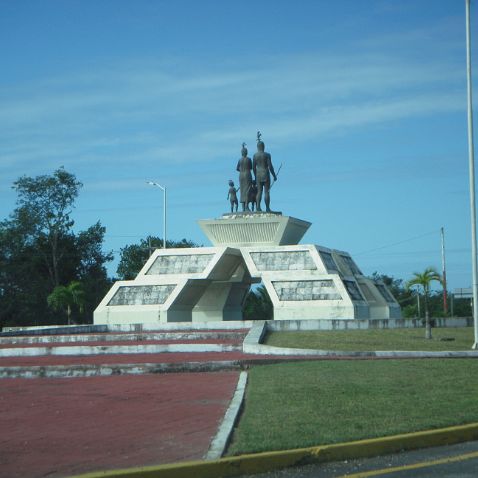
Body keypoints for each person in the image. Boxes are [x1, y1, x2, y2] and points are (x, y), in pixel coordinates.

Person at [253, 132, 277, 212]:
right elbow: (270, 166)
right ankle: (267, 208)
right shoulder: (267, 155)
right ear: (263, 147)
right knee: (266, 191)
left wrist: (255, 176)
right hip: (266, 173)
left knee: (259, 191)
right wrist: (274, 175)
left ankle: (258, 207)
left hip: (258, 174)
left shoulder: (255, 156)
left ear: (257, 147)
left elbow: (253, 167)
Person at [236, 143, 253, 211]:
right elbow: (251, 167)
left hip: (241, 175)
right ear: (246, 152)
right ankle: (246, 206)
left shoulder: (240, 160)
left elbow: (237, 168)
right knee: (248, 190)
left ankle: (243, 207)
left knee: (242, 191)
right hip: (247, 174)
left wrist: (241, 170)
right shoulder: (248, 159)